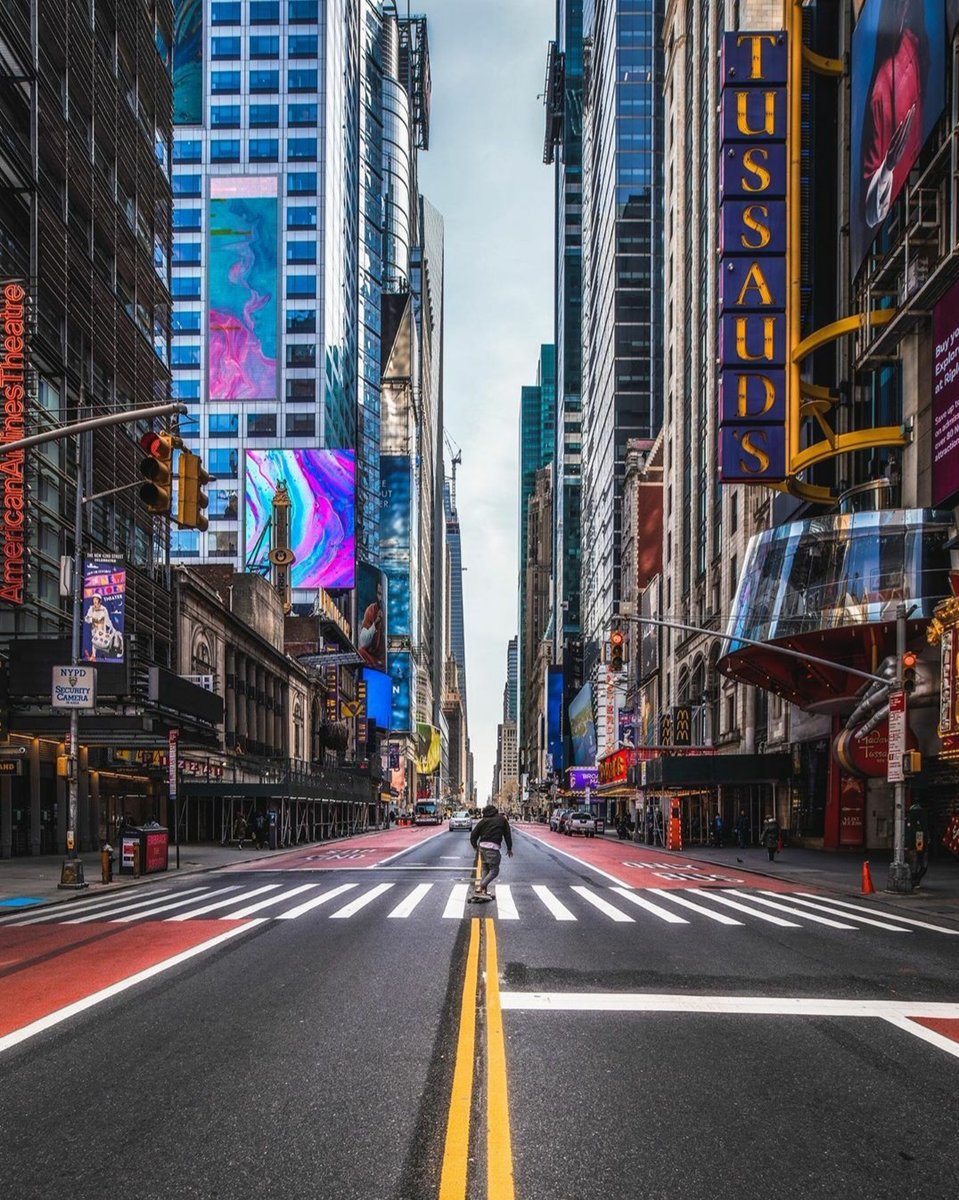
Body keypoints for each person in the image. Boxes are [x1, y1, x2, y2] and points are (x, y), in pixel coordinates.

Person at [861, 0, 930, 232]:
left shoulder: (919, 49)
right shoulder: (884, 86)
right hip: (905, 222)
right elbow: (870, 214)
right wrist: (887, 168)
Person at [469, 803, 513, 898]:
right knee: (494, 870)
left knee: (485, 868)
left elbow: (473, 834)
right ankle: (481, 887)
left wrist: (474, 845)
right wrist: (509, 848)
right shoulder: (502, 820)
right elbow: (507, 834)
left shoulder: (483, 821)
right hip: (493, 847)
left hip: (482, 847)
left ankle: (483, 892)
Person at [84, 593, 122, 660]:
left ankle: (103, 655)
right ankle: (94, 656)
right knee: (94, 642)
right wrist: (92, 620)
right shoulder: (91, 608)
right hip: (94, 628)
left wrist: (111, 627)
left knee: (103, 643)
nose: (94, 601)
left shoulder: (104, 609)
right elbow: (87, 618)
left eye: (96, 599)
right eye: (94, 599)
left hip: (102, 629)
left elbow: (107, 620)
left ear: (99, 601)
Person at [358, 579, 386, 668]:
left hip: (387, 660)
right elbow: (363, 642)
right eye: (379, 594)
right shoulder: (372, 609)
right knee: (361, 653)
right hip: (373, 659)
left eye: (383, 595)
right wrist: (375, 624)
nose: (381, 598)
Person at [904, 798, 930, 887]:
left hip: (914, 843)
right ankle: (916, 880)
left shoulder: (910, 821)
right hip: (921, 842)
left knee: (914, 863)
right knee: (922, 863)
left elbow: (908, 833)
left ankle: (914, 880)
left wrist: (907, 845)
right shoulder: (922, 820)